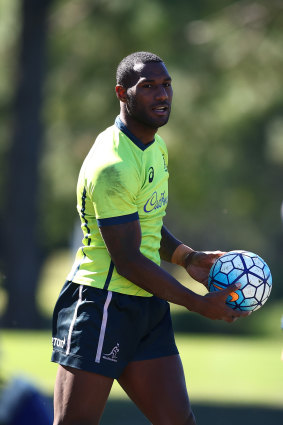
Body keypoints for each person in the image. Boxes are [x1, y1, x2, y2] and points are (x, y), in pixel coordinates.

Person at [51, 51, 249, 425]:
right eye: (148, 87)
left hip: (147, 306)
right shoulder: (113, 165)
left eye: (166, 85)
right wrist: (197, 304)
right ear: (122, 93)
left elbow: (147, 226)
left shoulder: (155, 147)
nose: (162, 95)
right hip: (102, 305)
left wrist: (187, 257)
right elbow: (127, 259)